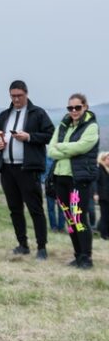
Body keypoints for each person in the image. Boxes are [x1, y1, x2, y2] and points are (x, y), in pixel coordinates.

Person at [0, 80, 54, 260]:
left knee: (35, 209)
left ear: (26, 94)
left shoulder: (37, 113)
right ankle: (22, 245)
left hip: (28, 168)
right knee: (14, 209)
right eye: (13, 96)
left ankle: (42, 247)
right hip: (7, 169)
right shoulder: (3, 115)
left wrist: (29, 137)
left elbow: (50, 135)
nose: (16, 99)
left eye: (19, 95)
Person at [48, 93, 99, 269]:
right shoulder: (63, 125)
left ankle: (87, 258)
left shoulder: (91, 127)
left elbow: (82, 146)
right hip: (60, 177)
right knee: (70, 219)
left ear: (85, 107)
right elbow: (50, 151)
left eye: (77, 107)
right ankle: (77, 256)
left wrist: (61, 147)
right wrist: (68, 149)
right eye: (70, 108)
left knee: (79, 218)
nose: (74, 111)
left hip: (79, 179)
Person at [42, 156, 65, 232]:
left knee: (62, 208)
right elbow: (44, 171)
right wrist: (44, 180)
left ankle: (61, 227)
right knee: (51, 208)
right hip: (50, 185)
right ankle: (53, 226)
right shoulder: (47, 158)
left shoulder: (64, 158)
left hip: (61, 185)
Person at [95, 152, 109, 240]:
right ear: (103, 159)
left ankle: (105, 232)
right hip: (103, 195)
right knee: (104, 215)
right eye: (108, 158)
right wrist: (95, 193)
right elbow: (96, 181)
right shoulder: (99, 168)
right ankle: (103, 235)